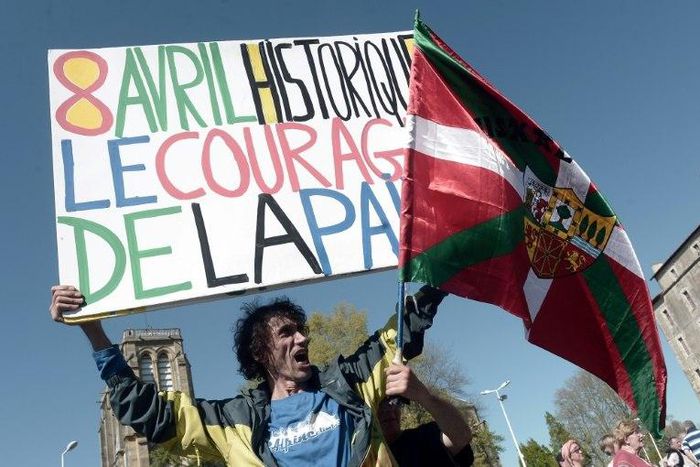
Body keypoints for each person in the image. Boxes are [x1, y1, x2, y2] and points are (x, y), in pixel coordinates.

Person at [49, 284, 448, 466]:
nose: (302, 337)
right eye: (287, 332)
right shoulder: (232, 421)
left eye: (301, 329)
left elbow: (399, 333)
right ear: (261, 353)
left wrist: (443, 274)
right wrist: (94, 331)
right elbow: (148, 414)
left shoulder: (347, 383)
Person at [377, 363, 473, 466]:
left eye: (394, 401)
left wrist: (425, 397)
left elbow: (461, 436)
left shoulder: (423, 438)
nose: (388, 409)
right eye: (378, 405)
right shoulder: (364, 456)